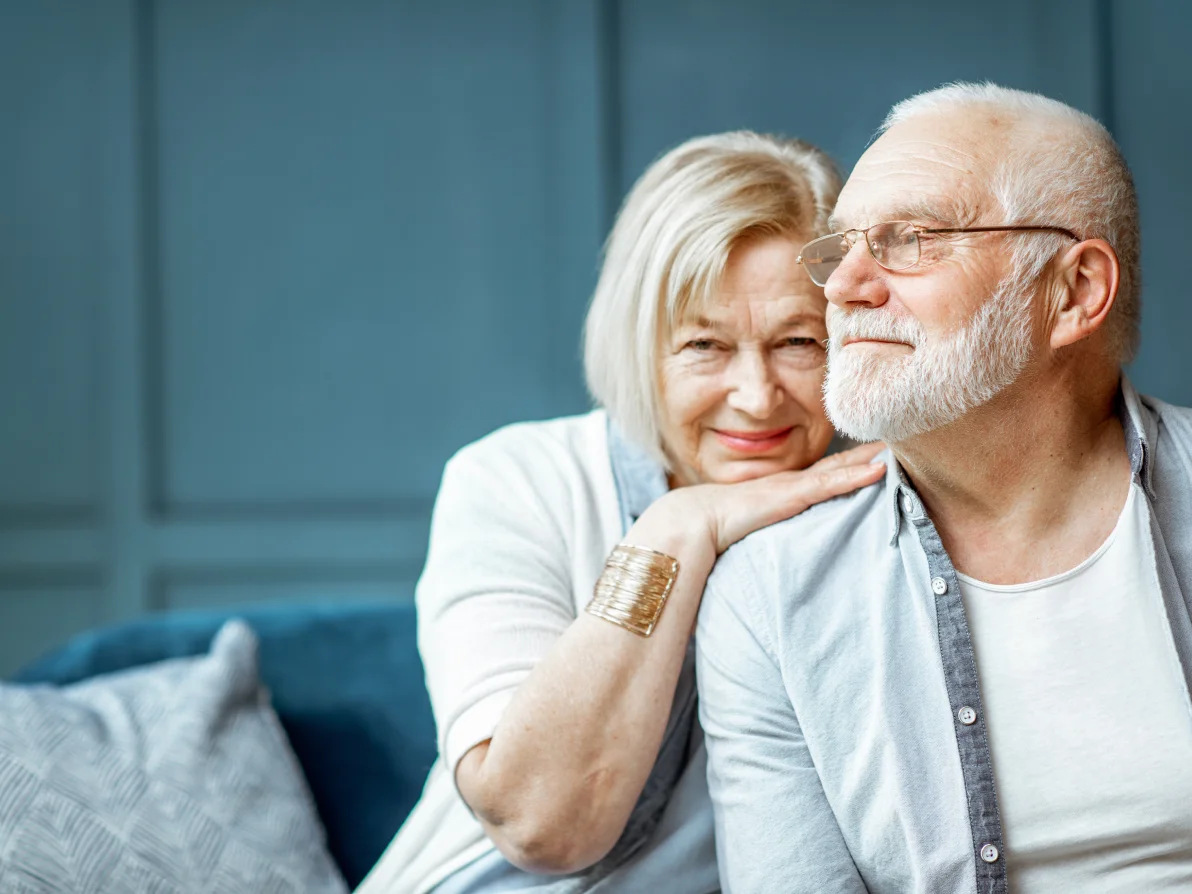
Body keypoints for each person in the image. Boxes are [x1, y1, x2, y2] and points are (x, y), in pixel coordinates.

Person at [356, 131, 886, 894]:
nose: (756, 396)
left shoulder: (884, 504)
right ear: (640, 344)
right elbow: (540, 824)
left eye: (798, 341)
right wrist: (679, 531)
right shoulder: (515, 480)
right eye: (705, 344)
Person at [696, 82, 1192, 894]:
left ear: (1073, 293)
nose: (843, 286)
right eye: (840, 247)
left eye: (909, 239)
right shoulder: (770, 595)